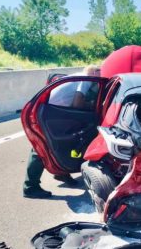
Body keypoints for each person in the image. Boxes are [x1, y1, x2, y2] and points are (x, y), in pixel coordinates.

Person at [23, 65, 101, 198]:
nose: (100, 76)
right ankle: (30, 187)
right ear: (94, 72)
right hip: (50, 114)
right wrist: (94, 106)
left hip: (55, 112)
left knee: (63, 144)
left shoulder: (78, 77)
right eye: (99, 73)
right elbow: (77, 103)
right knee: (41, 148)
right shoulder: (86, 79)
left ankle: (61, 173)